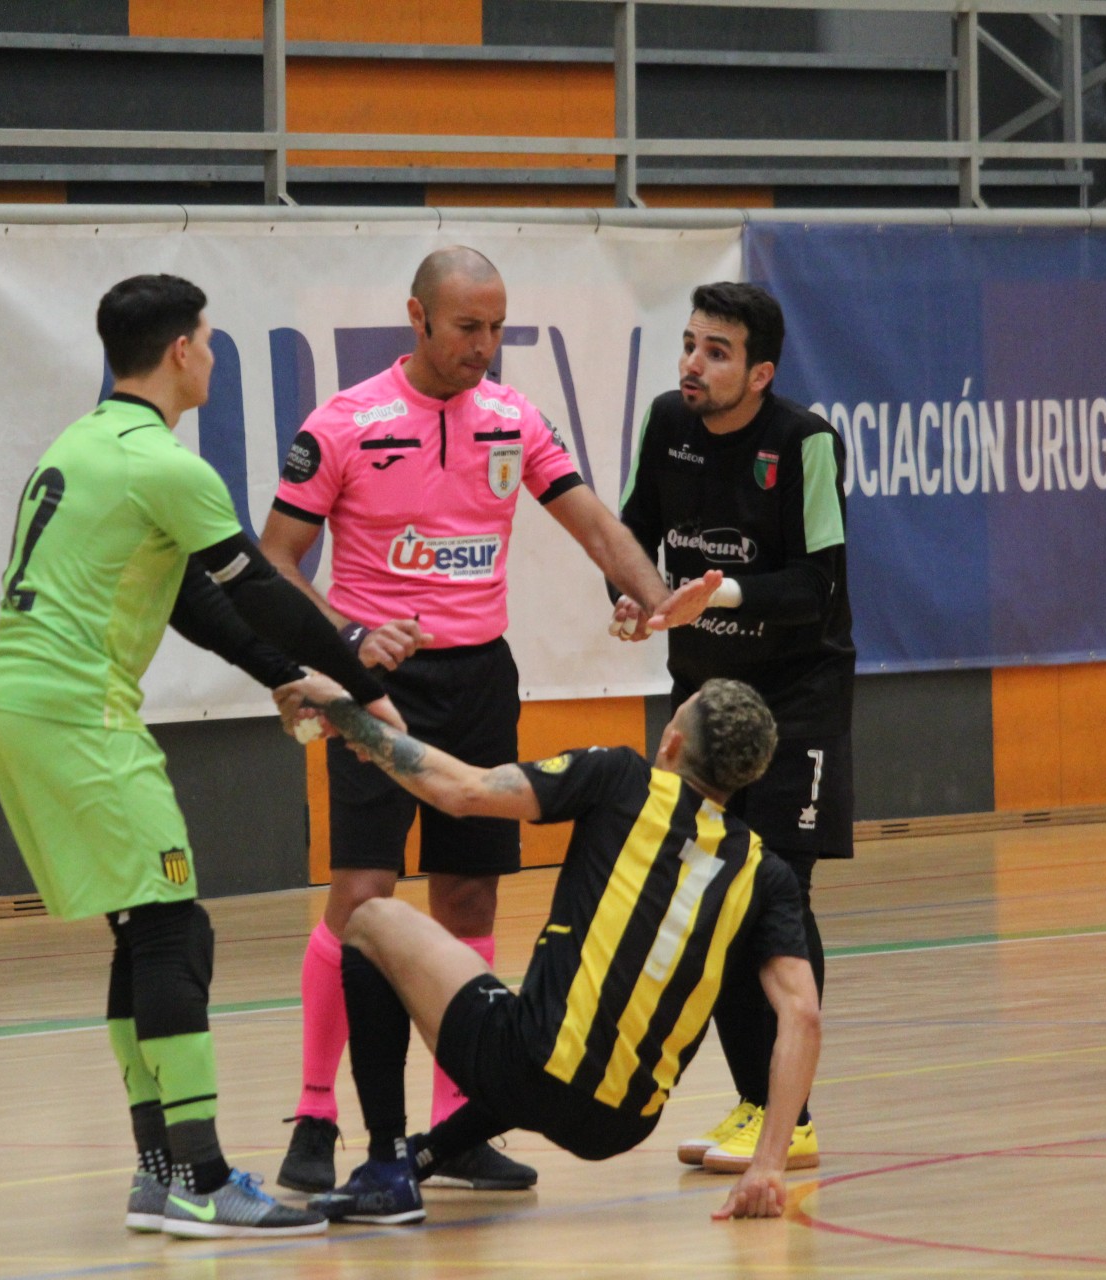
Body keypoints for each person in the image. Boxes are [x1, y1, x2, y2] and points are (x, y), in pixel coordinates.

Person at [260, 246, 714, 1193]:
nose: (485, 345)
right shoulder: (343, 423)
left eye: (498, 327)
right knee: (362, 895)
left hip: (479, 680)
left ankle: (455, 1127)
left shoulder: (514, 418)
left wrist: (655, 597)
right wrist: (350, 636)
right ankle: (316, 1114)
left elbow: (595, 524)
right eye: (468, 326)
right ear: (418, 317)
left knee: (467, 900)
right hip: (374, 687)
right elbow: (274, 562)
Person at [0, 273, 397, 1239]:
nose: (211, 354)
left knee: (147, 929)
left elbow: (190, 601)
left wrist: (285, 676)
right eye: (207, 340)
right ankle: (200, 1178)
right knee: (175, 931)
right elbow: (263, 592)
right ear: (180, 351)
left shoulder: (83, 443)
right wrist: (364, 688)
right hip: (79, 717)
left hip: (22, 710)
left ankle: (160, 1173)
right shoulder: (166, 465)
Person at [281, 673, 822, 1225]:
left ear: (672, 743)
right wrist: (768, 1165)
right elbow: (802, 1014)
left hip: (528, 1065)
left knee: (371, 920)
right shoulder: (765, 873)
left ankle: (385, 1169)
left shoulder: (622, 779)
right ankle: (431, 1152)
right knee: (555, 1033)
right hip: (623, 1124)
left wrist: (349, 717)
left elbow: (462, 791)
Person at [610, 281, 851, 1174]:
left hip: (796, 697)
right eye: (689, 344)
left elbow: (818, 584)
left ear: (760, 373)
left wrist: (719, 595)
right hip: (703, 696)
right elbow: (631, 534)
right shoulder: (665, 424)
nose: (693, 364)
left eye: (716, 352)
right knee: (713, 892)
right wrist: (631, 599)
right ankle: (756, 1102)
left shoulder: (804, 442)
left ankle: (794, 1117)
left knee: (779, 888)